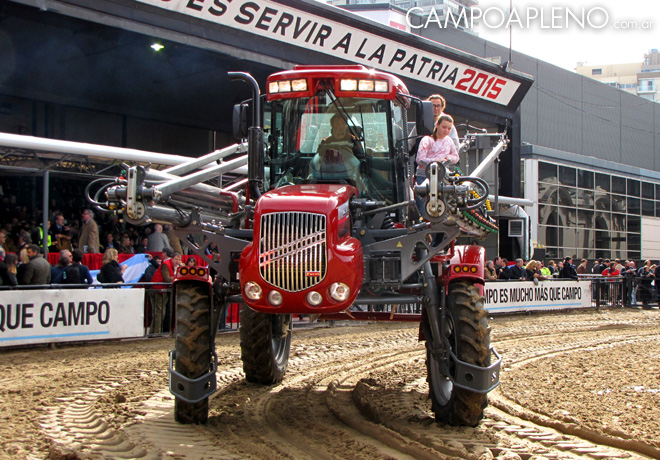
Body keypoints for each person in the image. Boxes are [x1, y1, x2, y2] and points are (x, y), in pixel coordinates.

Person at [309, 114, 366, 193]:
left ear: (346, 125)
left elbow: (361, 158)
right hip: (326, 176)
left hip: (350, 177)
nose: (341, 126)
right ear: (332, 125)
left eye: (343, 123)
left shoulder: (353, 140)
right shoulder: (325, 141)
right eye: (337, 123)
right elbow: (319, 159)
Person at [415, 114, 459, 214]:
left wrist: (448, 158)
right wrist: (438, 161)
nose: (446, 130)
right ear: (437, 125)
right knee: (422, 202)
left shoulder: (449, 141)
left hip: (442, 177)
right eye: (444, 127)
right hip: (424, 175)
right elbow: (420, 159)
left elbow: (456, 157)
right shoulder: (427, 140)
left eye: (449, 128)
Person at [150, 251, 182, 335]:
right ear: (172, 259)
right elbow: (167, 278)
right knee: (159, 312)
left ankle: (154, 332)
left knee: (160, 312)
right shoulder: (166, 265)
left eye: (179, 260)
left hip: (163, 290)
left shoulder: (175, 266)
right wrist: (179, 276)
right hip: (158, 289)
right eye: (176, 259)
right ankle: (156, 332)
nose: (177, 262)